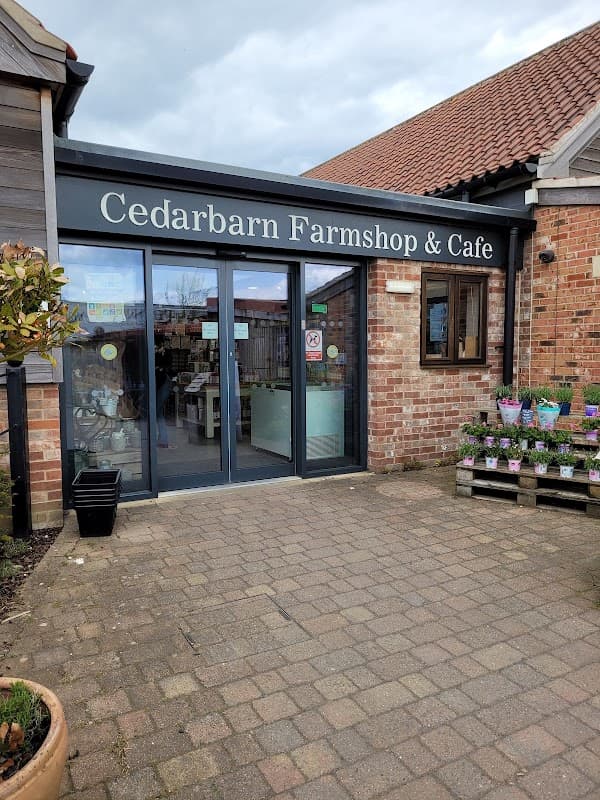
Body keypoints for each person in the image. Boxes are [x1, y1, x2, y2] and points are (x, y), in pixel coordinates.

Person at [155, 336, 175, 448]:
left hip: (164, 384)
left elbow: (168, 367)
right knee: (158, 411)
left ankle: (163, 438)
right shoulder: (154, 352)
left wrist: (160, 367)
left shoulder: (167, 353)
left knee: (157, 410)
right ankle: (162, 438)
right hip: (157, 384)